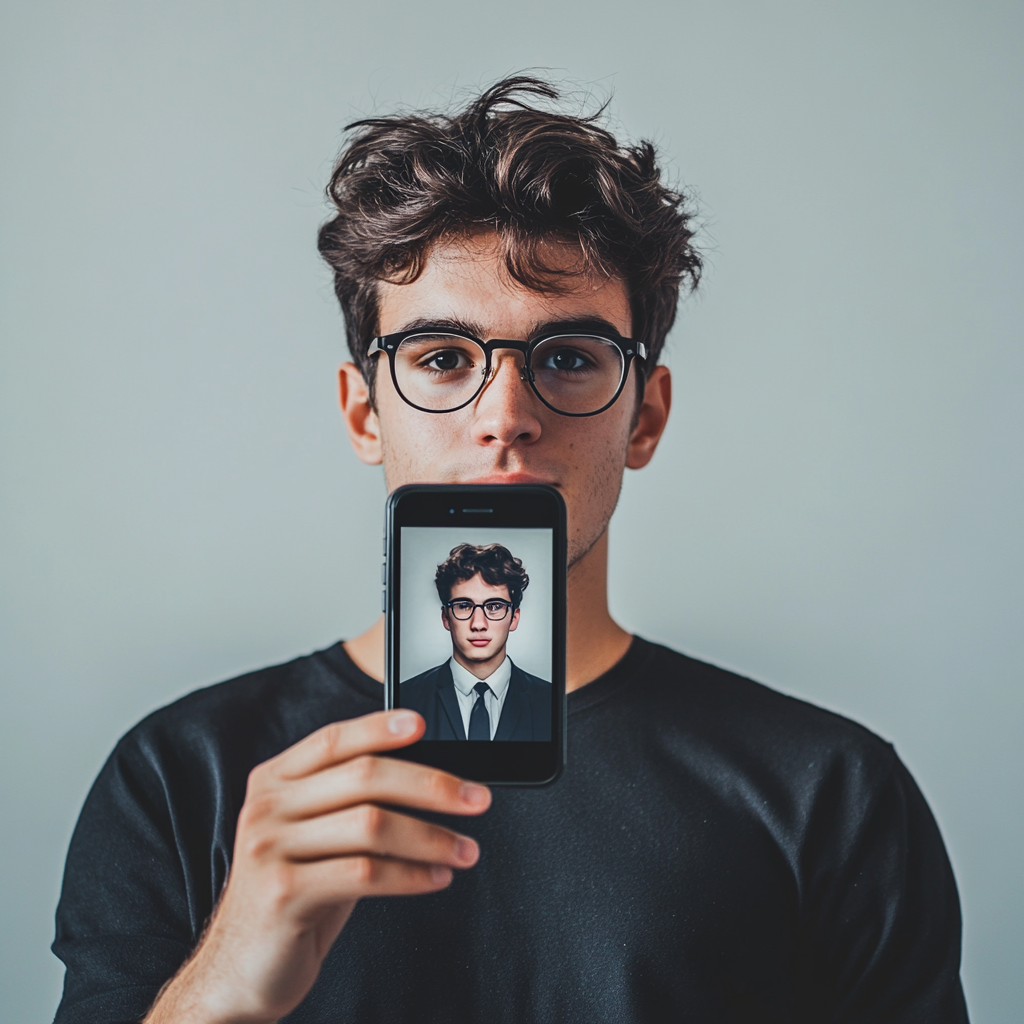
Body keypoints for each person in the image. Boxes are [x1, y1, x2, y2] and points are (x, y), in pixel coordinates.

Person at [52, 77, 969, 1023]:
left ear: (644, 418)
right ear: (365, 411)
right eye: (443, 358)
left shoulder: (830, 793)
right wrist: (224, 986)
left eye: (568, 358)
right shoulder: (183, 777)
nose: (506, 417)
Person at [401, 542, 551, 741]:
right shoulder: (404, 700)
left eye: (495, 606)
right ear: (446, 618)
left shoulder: (551, 702)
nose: (478, 624)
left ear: (514, 618)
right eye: (463, 605)